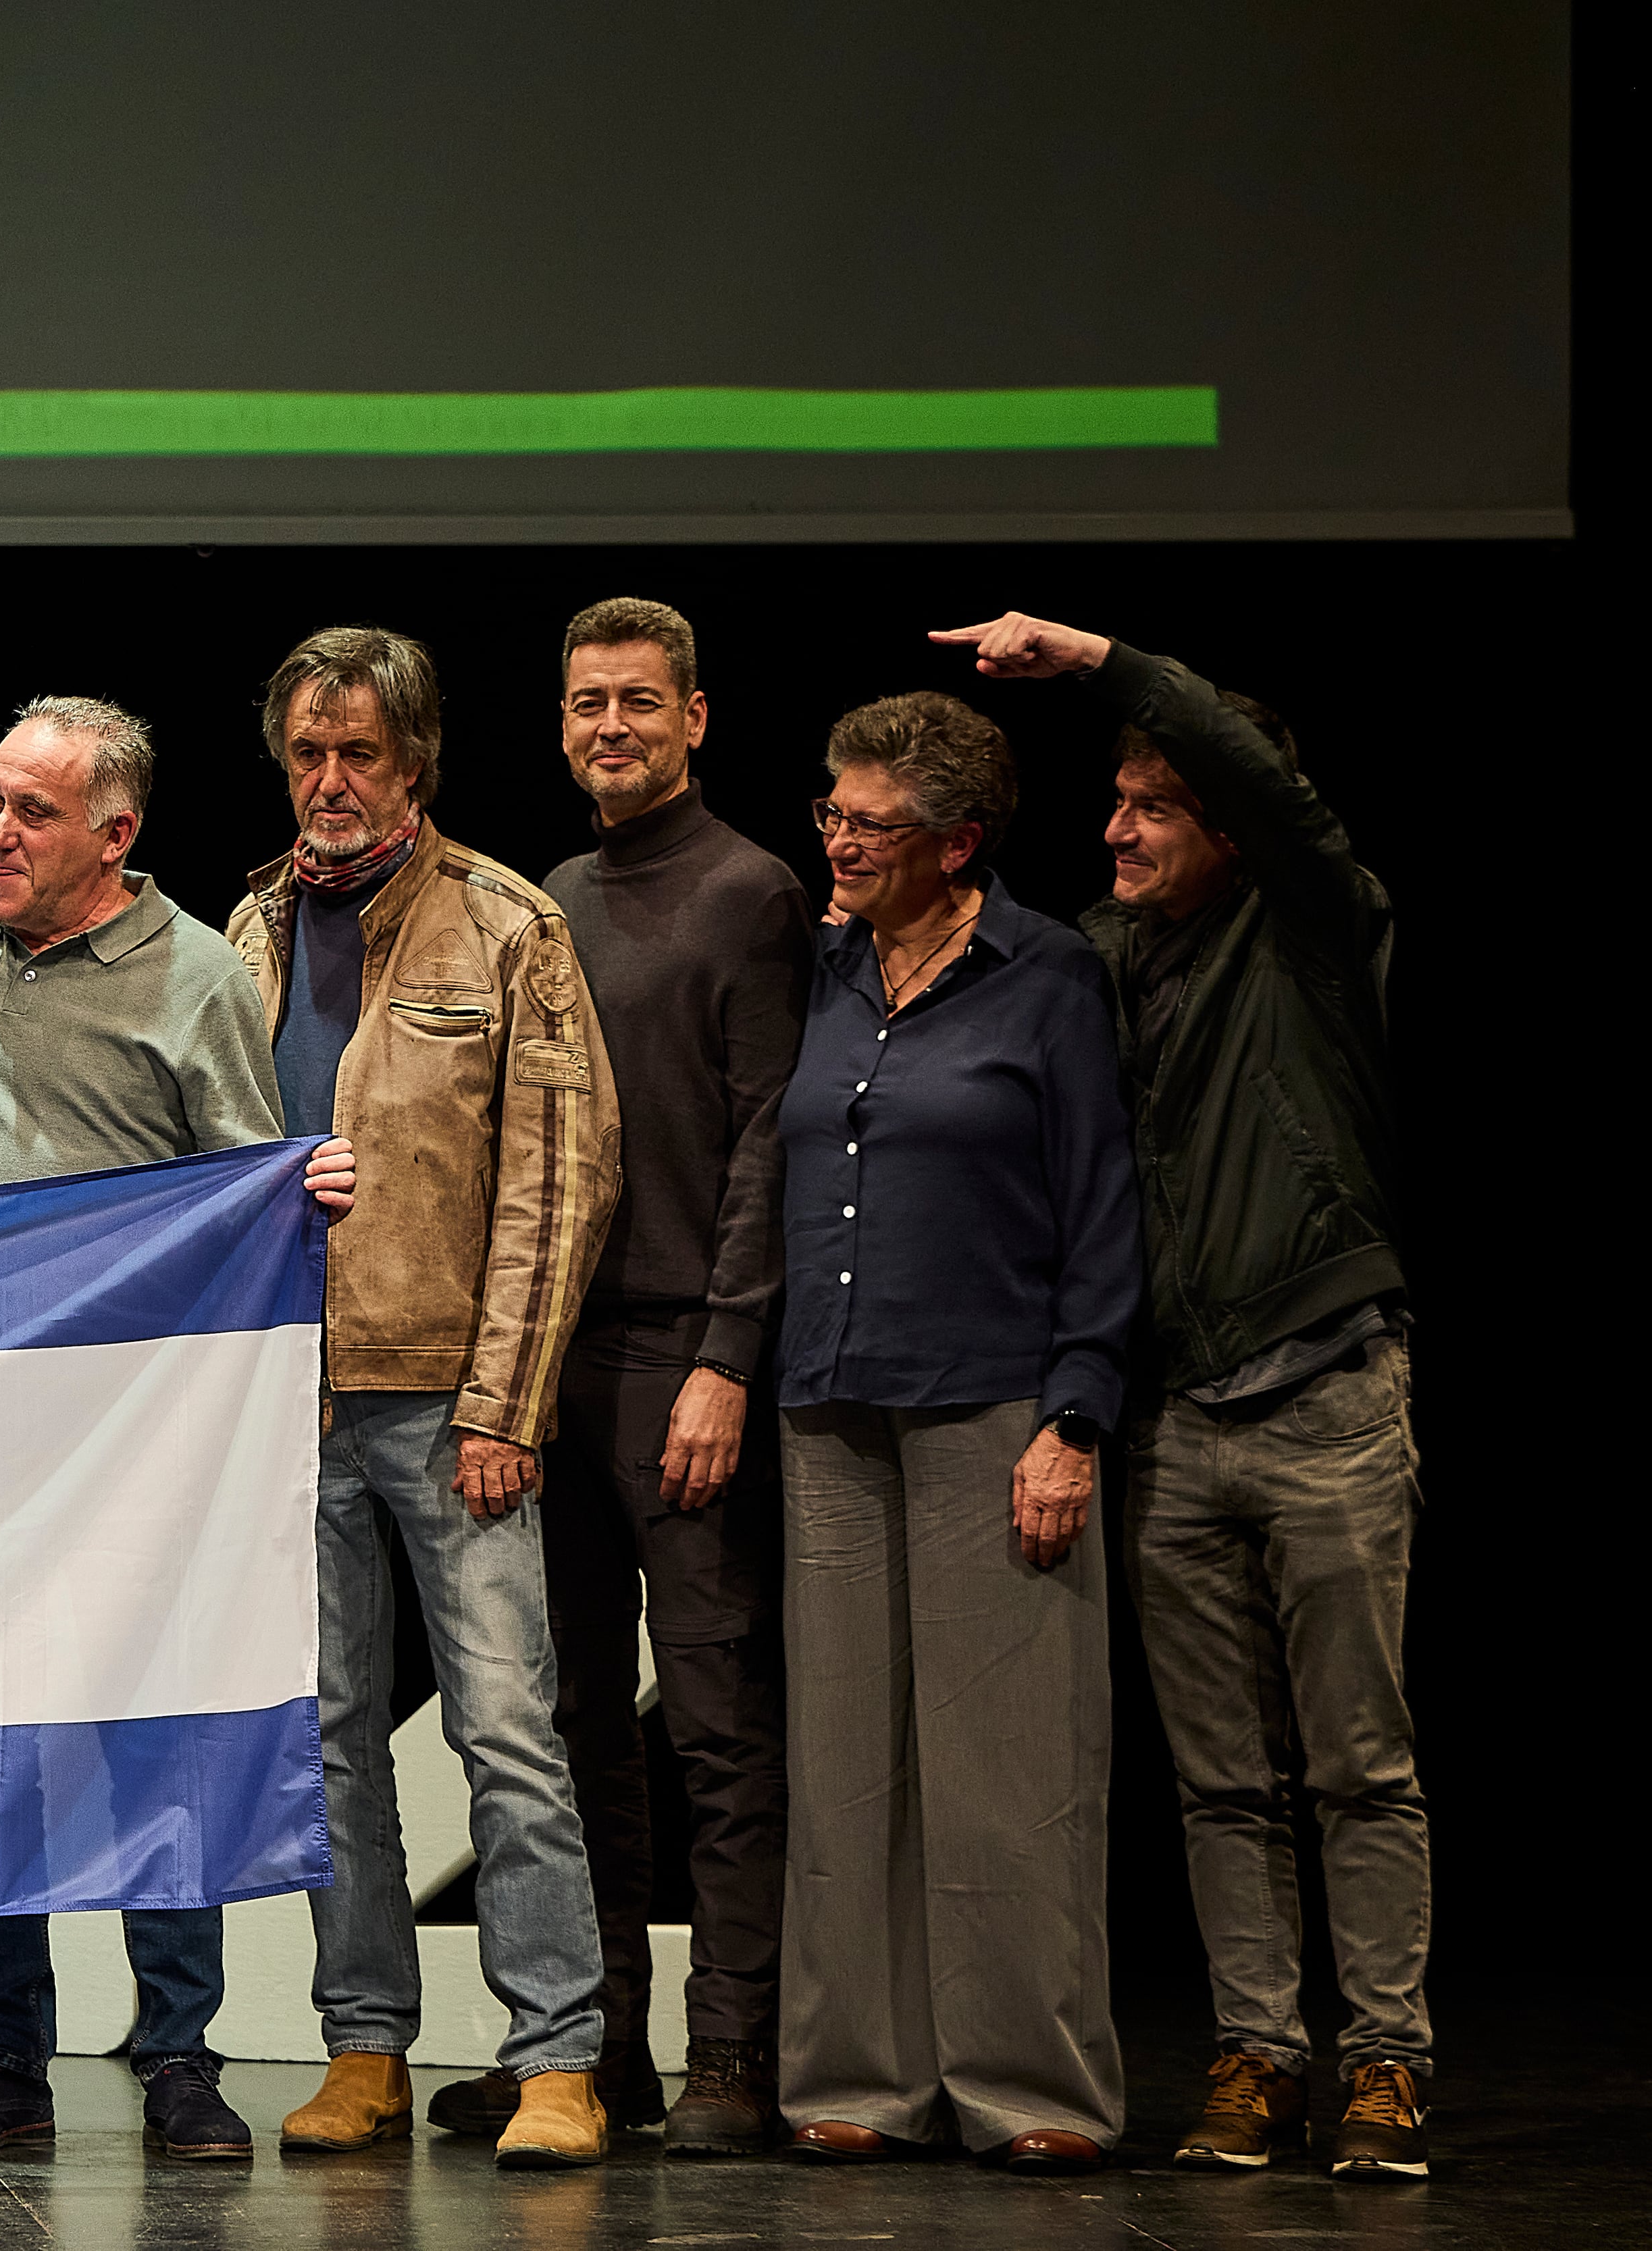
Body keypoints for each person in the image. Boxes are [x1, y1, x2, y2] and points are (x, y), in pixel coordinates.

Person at [936, 613, 1431, 2183]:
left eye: (1152, 800)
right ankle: (1259, 2054)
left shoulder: (1313, 923)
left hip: (1328, 1393)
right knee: (1220, 1777)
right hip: (1178, 1414)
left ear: (1228, 818)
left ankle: (1388, 2064)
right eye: (1114, 796)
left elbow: (1254, 782)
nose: (1119, 824)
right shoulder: (1101, 958)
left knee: (1357, 1759)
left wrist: (1094, 659)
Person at [0, 696, 353, 2166]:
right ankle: (1, 2056)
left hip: (133, 1439)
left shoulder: (198, 974)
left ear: (116, 833)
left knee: (154, 1742)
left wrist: (301, 1193)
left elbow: (241, 1184)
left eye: (34, 810)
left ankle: (175, 2059)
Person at [222, 626, 623, 2173]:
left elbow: (561, 1179)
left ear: (416, 763)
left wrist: (504, 1404)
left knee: (507, 1729)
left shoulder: (504, 923)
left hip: (449, 1400)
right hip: (290, 1400)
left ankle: (557, 2056)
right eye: (309, 752)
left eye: (362, 754)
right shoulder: (247, 925)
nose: (331, 780)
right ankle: (364, 2042)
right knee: (327, 1738)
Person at [774, 690, 1141, 2175]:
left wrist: (1074, 1412)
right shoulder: (821, 966)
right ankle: (860, 2070)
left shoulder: (1045, 975)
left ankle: (1027, 2079)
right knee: (844, 1767)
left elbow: (1102, 1211)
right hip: (829, 1399)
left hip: (995, 1399)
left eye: (871, 822)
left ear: (958, 842)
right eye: (833, 811)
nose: (841, 839)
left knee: (1009, 1767)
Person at [497, 597, 804, 2158]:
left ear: (694, 718)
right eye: (583, 703)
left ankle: (733, 2056)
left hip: (686, 1363)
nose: (607, 725)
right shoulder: (549, 898)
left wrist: (725, 1361)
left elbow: (769, 1144)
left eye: (635, 701)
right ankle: (601, 2042)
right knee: (571, 1730)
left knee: (714, 1726)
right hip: (561, 1365)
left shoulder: (754, 893)